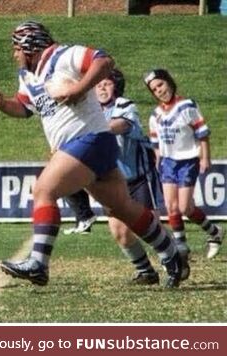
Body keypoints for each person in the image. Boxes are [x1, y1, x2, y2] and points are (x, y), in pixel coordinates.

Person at [0, 21, 183, 288]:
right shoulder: (29, 77)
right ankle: (171, 253)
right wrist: (3, 104)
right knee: (122, 208)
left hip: (89, 140)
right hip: (89, 145)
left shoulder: (63, 55)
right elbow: (25, 107)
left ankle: (39, 263)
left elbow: (104, 61)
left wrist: (79, 88)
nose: (14, 54)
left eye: (17, 48)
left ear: (30, 46)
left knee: (43, 190)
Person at [94, 68, 169, 284]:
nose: (102, 88)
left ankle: (174, 258)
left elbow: (121, 125)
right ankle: (146, 272)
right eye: (98, 84)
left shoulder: (124, 105)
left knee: (150, 225)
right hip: (112, 182)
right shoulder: (91, 112)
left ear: (115, 86)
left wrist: (92, 130)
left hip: (139, 177)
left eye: (106, 84)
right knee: (120, 232)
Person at [144, 68, 224, 260]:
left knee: (185, 207)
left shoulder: (187, 106)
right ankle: (181, 247)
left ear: (169, 82)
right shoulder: (155, 115)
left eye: (161, 85)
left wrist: (205, 158)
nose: (160, 91)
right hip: (168, 162)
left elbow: (202, 134)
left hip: (188, 161)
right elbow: (156, 142)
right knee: (171, 207)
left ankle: (214, 232)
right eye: (154, 89)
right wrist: (158, 160)